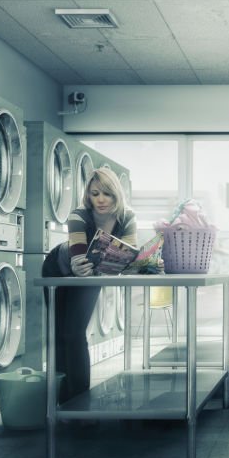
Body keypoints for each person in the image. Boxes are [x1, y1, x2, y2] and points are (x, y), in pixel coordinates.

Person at [42, 166, 137, 404]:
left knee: (73, 334)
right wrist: (79, 265)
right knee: (59, 335)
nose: (101, 200)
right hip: (58, 268)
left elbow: (128, 253)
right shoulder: (79, 215)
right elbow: (77, 256)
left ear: (116, 195)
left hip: (92, 273)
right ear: (88, 194)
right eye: (95, 194)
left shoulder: (127, 217)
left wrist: (129, 264)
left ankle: (79, 402)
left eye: (107, 194)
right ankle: (61, 402)